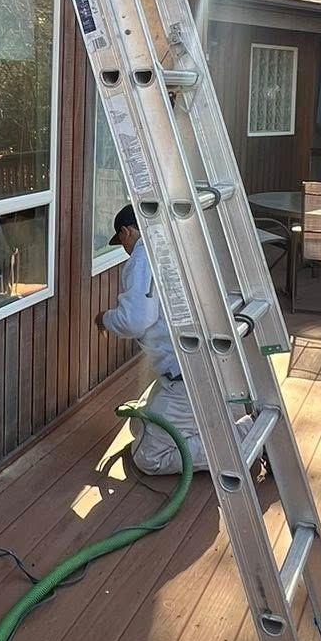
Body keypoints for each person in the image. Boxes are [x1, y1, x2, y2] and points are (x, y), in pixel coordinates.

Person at [96, 203, 209, 475]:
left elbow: (135, 320)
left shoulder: (143, 255)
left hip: (186, 376)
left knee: (148, 457)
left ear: (126, 232)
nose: (124, 249)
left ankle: (238, 444)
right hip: (202, 364)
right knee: (141, 423)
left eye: (121, 241)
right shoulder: (175, 244)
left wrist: (105, 319)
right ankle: (210, 430)